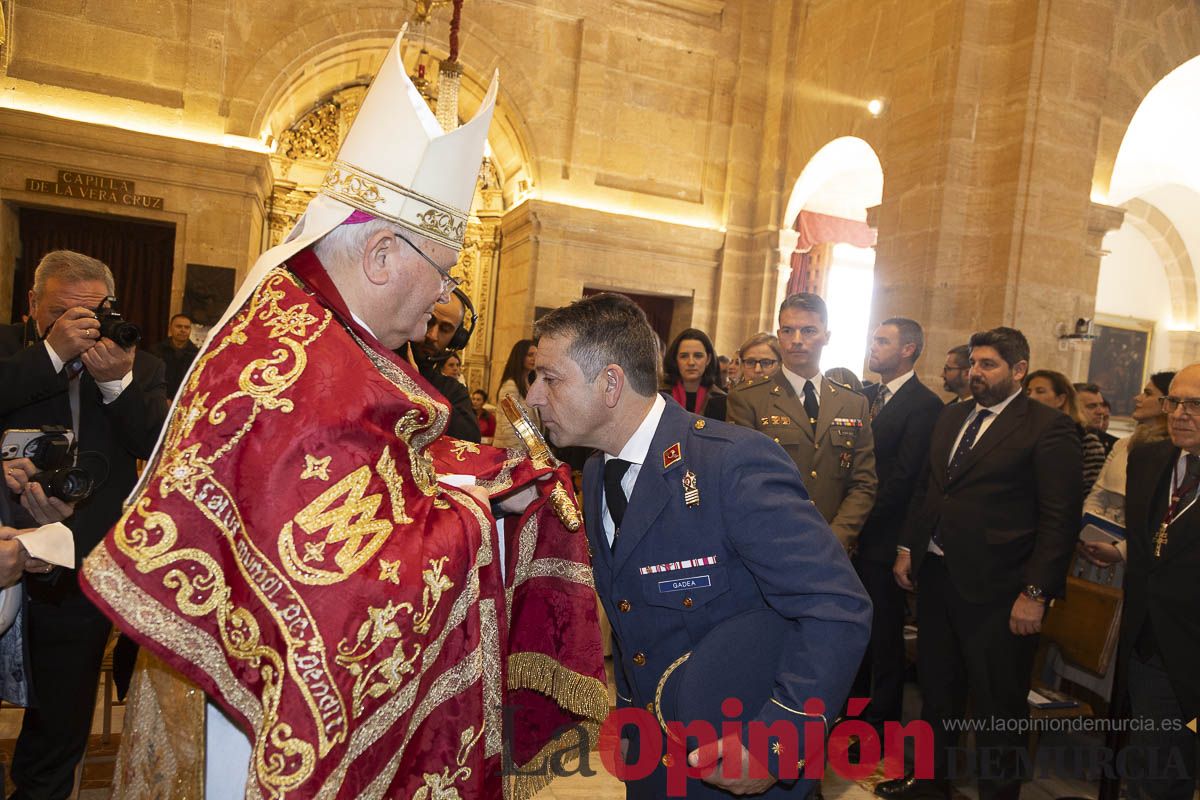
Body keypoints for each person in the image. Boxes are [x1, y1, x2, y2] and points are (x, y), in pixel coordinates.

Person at [79, 31, 606, 799]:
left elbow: (370, 478)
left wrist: (472, 475)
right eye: (443, 271)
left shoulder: (319, 329)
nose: (444, 301)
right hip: (248, 716)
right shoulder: (305, 359)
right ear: (384, 254)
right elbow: (335, 565)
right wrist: (478, 510)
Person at [526, 292, 871, 799]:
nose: (534, 395)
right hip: (655, 759)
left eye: (550, 379)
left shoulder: (731, 464)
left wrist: (777, 743)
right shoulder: (600, 469)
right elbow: (633, 618)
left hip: (738, 761)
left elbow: (837, 607)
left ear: (611, 383)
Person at [881, 327, 1081, 800]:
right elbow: (929, 490)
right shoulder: (952, 418)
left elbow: (1059, 519)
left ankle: (997, 793)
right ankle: (931, 785)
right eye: (973, 363)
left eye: (988, 365)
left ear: (1018, 370)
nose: (976, 373)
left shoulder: (1046, 427)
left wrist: (1035, 594)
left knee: (997, 706)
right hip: (939, 577)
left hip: (1001, 591)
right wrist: (910, 547)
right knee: (938, 690)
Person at [0, 249, 170, 799]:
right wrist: (51, 354)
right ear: (32, 305)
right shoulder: (11, 354)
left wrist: (117, 384)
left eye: (91, 314)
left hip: (77, 567)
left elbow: (158, 444)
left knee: (59, 727)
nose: (79, 327)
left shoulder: (138, 364)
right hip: (2, 552)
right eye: (61, 314)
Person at [727, 293, 876, 551]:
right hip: (769, 543)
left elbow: (863, 482)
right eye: (788, 330)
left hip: (833, 548)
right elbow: (743, 478)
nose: (797, 340)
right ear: (779, 335)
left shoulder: (854, 403)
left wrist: (836, 538)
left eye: (808, 331)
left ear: (826, 336)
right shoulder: (748, 398)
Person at [853, 318, 944, 737]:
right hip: (854, 535)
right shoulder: (866, 396)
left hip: (885, 537)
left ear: (908, 349)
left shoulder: (924, 405)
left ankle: (881, 725)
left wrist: (855, 517)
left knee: (884, 638)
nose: (873, 346)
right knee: (855, 633)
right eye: (873, 339)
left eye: (883, 341)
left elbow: (906, 476)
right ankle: (851, 716)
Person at [1117, 364, 1200, 800]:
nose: (1180, 413)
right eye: (1174, 401)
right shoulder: (1150, 458)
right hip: (1154, 648)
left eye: (1196, 405)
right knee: (1156, 773)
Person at [1080, 371, 1175, 566]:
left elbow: (1163, 518)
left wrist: (1120, 550)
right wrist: (1087, 531)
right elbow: (1098, 493)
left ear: (1167, 402)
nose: (1137, 398)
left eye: (1147, 393)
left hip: (1138, 553)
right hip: (1098, 539)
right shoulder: (1123, 445)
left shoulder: (1174, 452)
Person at [401, 290, 480, 442]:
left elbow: (470, 439)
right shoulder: (376, 360)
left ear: (457, 339)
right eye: (429, 321)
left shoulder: (453, 391)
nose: (432, 335)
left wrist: (417, 388)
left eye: (445, 329)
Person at [1024, 369, 1107, 495]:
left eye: (1040, 391)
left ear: (1060, 399)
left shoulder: (1084, 440)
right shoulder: (1020, 432)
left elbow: (1086, 493)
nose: (1031, 396)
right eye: (1028, 392)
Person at [662, 327, 727, 421]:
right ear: (675, 359)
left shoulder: (721, 399)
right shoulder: (660, 396)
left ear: (708, 359)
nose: (691, 362)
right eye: (684, 356)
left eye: (698, 356)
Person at [492, 338, 538, 450]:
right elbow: (508, 423)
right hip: (512, 449)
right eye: (530, 355)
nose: (534, 359)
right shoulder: (511, 385)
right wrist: (518, 453)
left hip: (527, 447)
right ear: (520, 357)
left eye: (536, 355)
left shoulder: (529, 383)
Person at [151, 312, 200, 396]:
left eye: (187, 327)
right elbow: (152, 379)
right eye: (179, 326)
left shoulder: (197, 354)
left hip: (185, 400)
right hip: (160, 399)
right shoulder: (156, 350)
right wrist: (163, 398)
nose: (183, 330)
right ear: (170, 328)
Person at [1074, 382, 1118, 454]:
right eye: (1091, 406)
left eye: (1101, 405)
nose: (1101, 412)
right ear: (1073, 408)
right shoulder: (1058, 439)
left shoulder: (1114, 445)